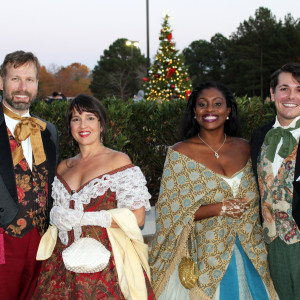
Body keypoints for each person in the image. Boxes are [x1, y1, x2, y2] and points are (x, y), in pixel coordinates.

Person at [149, 81, 277, 300]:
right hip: (207, 256)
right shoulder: (180, 154)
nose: (210, 110)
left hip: (253, 252)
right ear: (194, 111)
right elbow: (170, 213)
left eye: (217, 104)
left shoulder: (248, 147)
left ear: (228, 111)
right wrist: (219, 208)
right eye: (202, 104)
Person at [34, 94, 155, 299]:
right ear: (70, 126)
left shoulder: (118, 160)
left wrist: (85, 218)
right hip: (61, 265)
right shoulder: (64, 167)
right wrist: (56, 215)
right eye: (76, 119)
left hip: (107, 266)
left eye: (90, 117)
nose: (83, 124)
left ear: (101, 125)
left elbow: (138, 217)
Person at [0, 50, 59, 299]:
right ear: (1, 82)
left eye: (30, 80)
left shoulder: (50, 131)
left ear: (36, 85)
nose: (22, 87)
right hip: (3, 239)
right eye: (15, 79)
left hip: (40, 242)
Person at [251, 63, 300, 299]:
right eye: (284, 88)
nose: (292, 96)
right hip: (271, 244)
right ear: (272, 94)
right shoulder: (260, 136)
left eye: (299, 89)